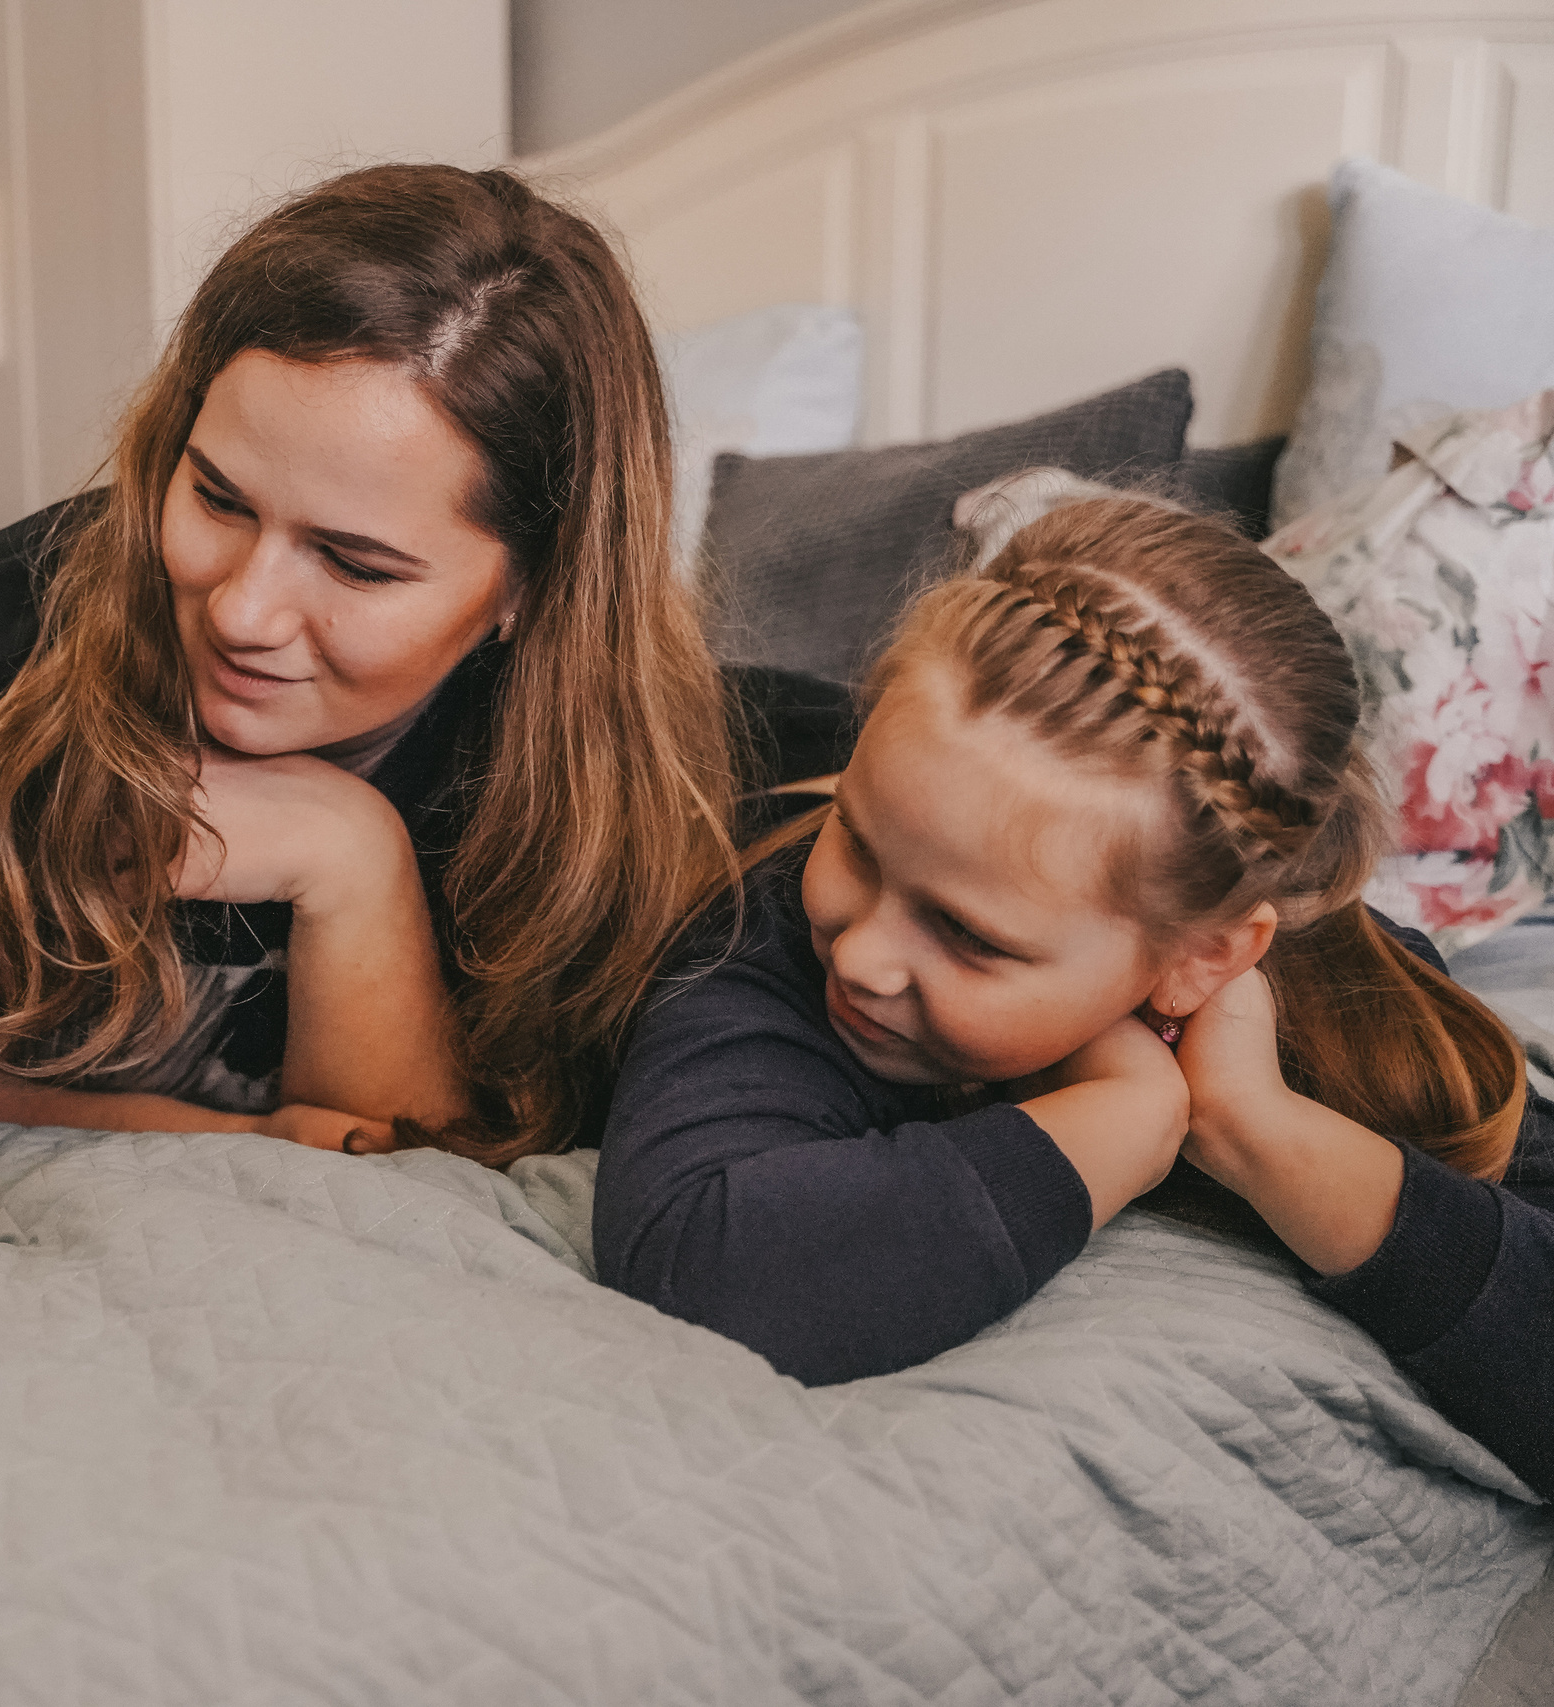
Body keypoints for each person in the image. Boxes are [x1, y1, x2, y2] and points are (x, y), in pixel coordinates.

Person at [0, 162, 850, 1166]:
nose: (242, 611)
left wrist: (353, 861)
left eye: (356, 565)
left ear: (534, 587)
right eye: (217, 498)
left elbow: (433, 1166)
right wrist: (253, 1138)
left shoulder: (658, 786)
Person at [594, 494, 1553, 1497]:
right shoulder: (768, 922)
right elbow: (707, 1260)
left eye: (968, 936)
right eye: (859, 843)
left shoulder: (1347, 992)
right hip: (716, 738)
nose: (865, 955)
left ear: (1202, 960)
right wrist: (1127, 1113)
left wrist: (1253, 1128)